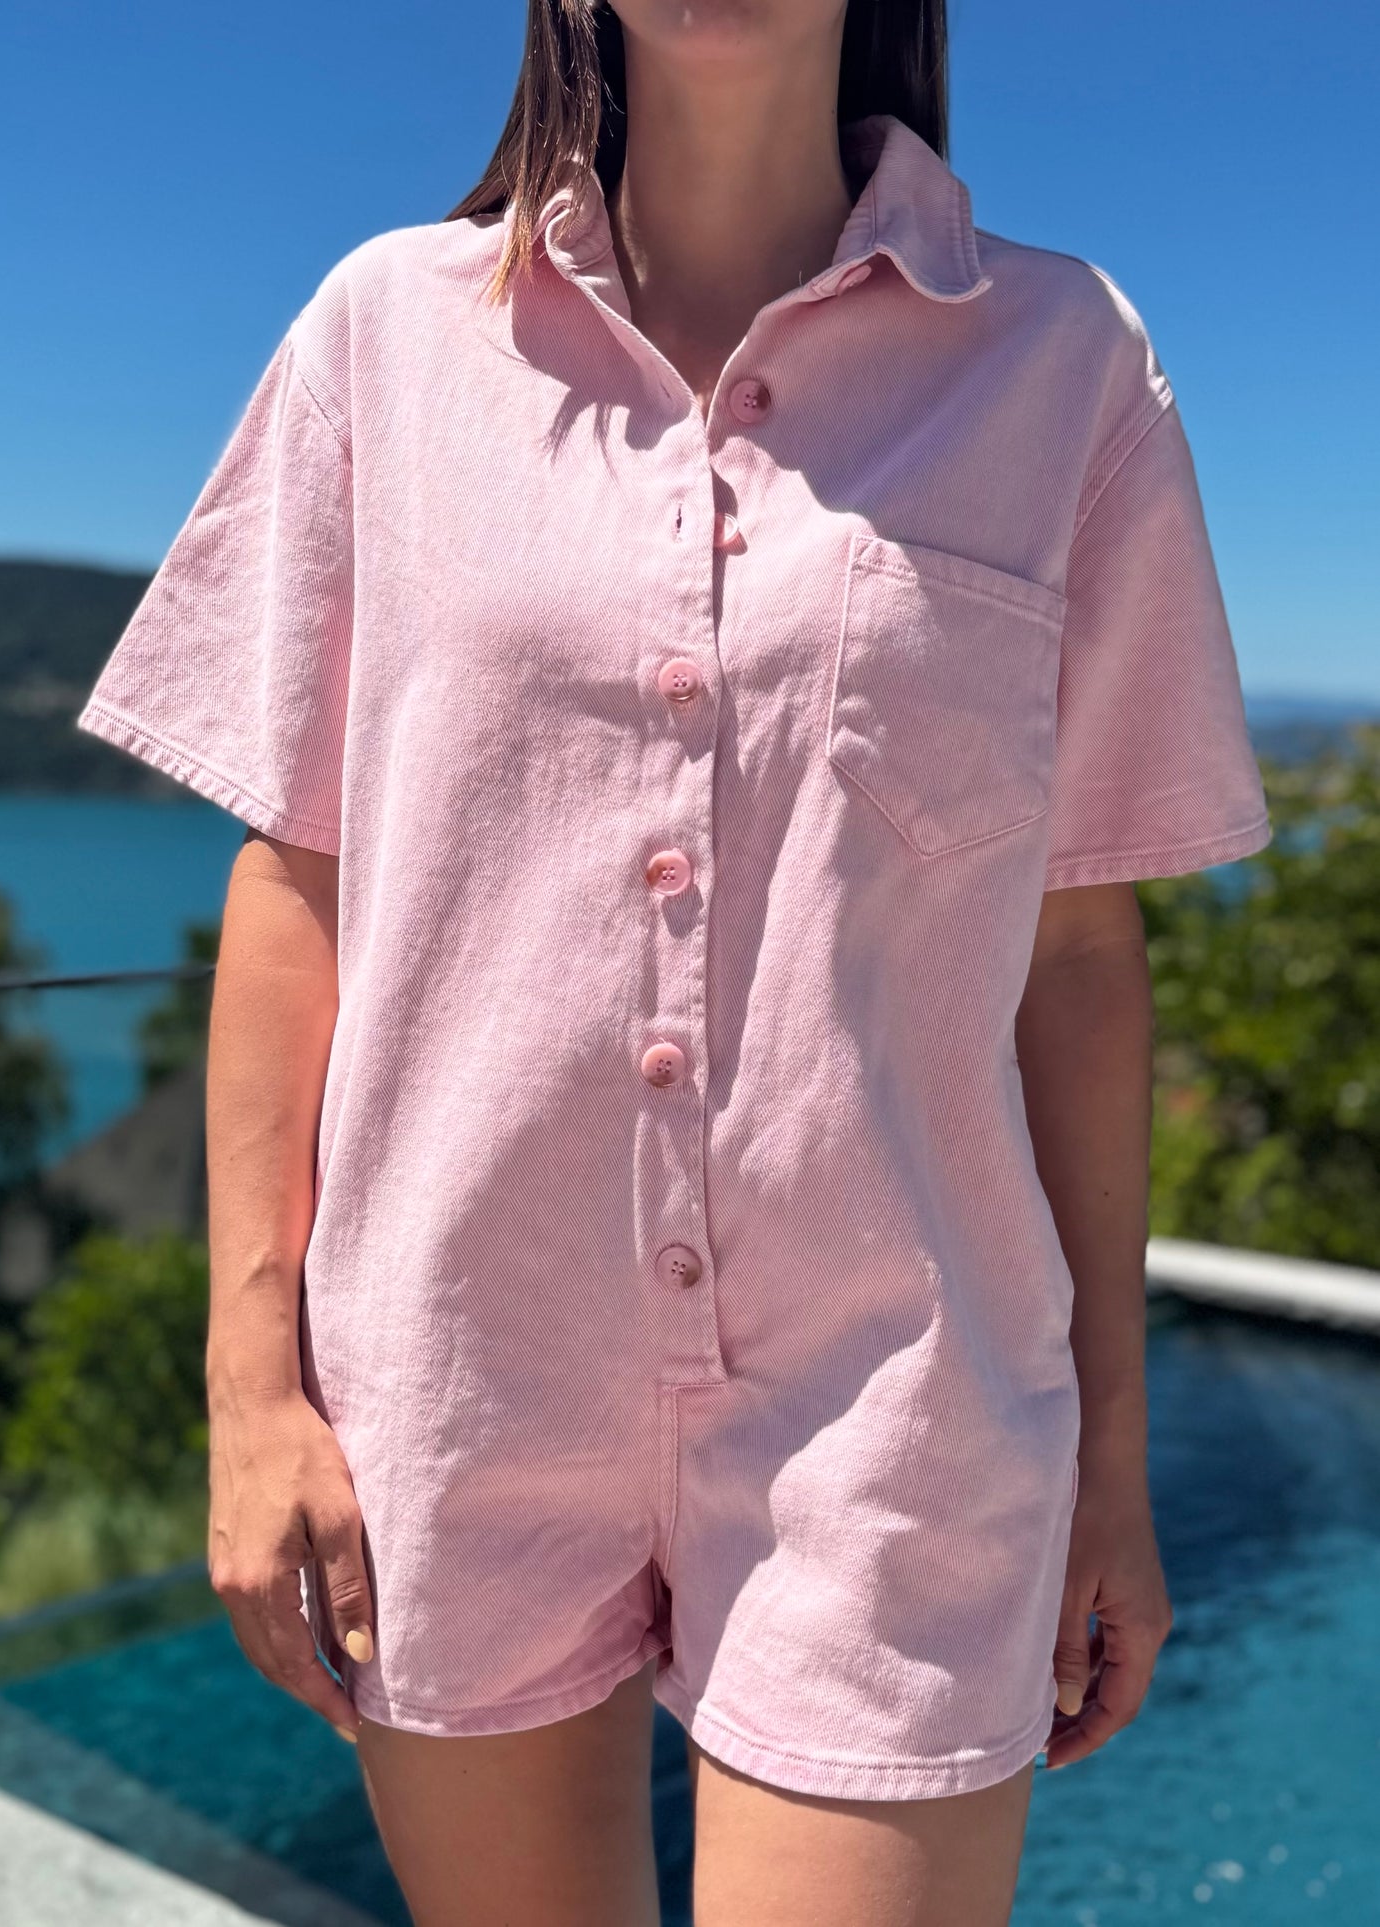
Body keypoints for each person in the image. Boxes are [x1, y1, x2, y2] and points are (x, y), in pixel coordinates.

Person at [75, 0, 1273, 1919]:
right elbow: (298, 887)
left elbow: (1075, 951)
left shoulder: (1065, 364)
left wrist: (1107, 1458)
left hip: (896, 1404)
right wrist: (251, 1390)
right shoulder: (382, 338)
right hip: (453, 1382)